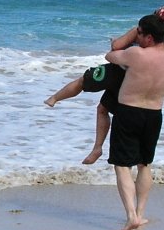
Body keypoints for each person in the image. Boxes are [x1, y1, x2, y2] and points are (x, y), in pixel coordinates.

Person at [104, 6, 164, 230]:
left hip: (129, 112)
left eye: (140, 33)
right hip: (154, 116)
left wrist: (130, 34)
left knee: (122, 166)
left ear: (148, 36)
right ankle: (140, 213)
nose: (137, 36)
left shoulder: (136, 54)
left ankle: (131, 216)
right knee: (144, 165)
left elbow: (111, 53)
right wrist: (141, 32)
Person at [44, 26, 140, 164]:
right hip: (133, 78)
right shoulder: (162, 42)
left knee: (83, 80)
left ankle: (54, 98)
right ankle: (97, 148)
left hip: (116, 71)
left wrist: (116, 41)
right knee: (103, 108)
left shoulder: (141, 29)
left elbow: (116, 45)